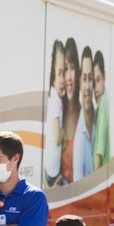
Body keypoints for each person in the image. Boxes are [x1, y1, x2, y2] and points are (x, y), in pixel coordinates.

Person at [57, 38, 81, 186]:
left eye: (72, 68)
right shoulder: (58, 110)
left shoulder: (83, 115)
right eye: (65, 69)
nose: (69, 77)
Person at [43, 40, 66, 187]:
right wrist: (68, 127)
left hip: (50, 168)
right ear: (53, 77)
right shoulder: (56, 102)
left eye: (64, 72)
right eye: (59, 73)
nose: (63, 79)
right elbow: (58, 138)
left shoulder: (54, 96)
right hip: (53, 173)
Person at [72, 46, 96, 181]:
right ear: (80, 82)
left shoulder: (99, 119)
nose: (87, 87)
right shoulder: (78, 139)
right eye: (84, 79)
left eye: (90, 79)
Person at [92, 50, 110, 170]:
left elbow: (99, 154)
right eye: (94, 83)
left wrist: (93, 179)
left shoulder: (103, 102)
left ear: (104, 76)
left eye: (98, 80)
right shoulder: (101, 106)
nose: (96, 89)